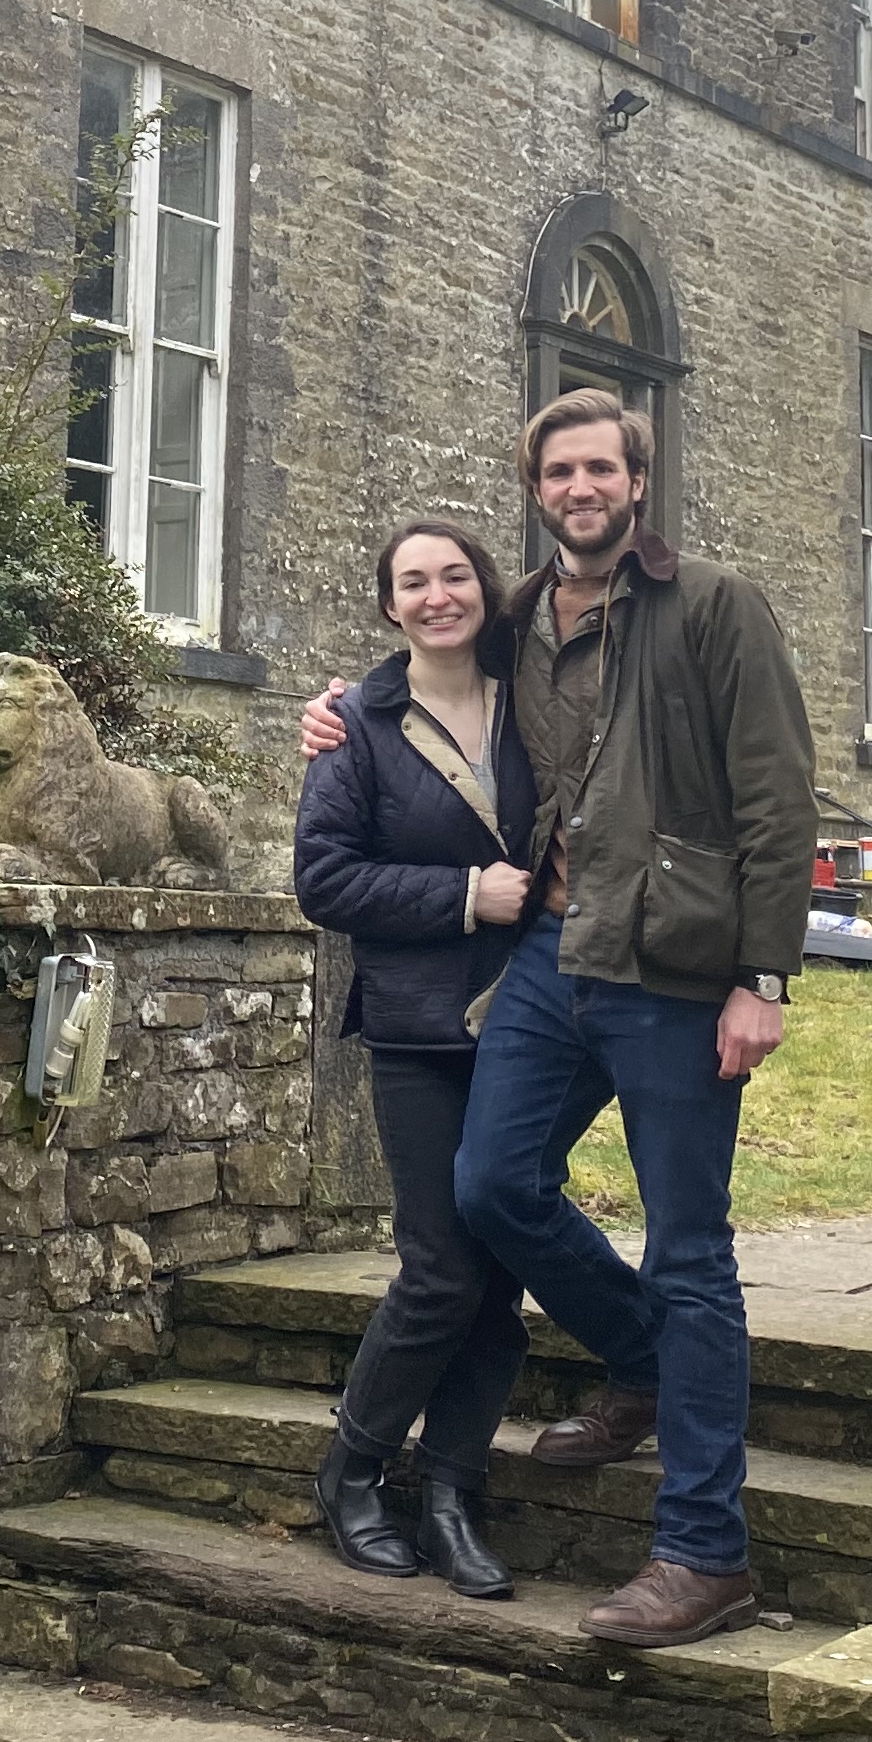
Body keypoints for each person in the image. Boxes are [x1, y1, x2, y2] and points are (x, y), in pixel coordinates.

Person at [300, 391, 816, 1647]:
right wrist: (333, 711)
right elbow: (422, 663)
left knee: (691, 1250)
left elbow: (776, 797)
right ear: (535, 491)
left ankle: (706, 1552)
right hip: (550, 959)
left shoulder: (715, 605)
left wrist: (766, 978)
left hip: (680, 974)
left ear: (638, 479)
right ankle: (644, 1357)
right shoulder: (523, 611)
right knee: (492, 1189)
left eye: (600, 468)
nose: (579, 489)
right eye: (557, 473)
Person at [289, 518, 539, 1597]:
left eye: (455, 576)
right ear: (388, 606)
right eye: (413, 583)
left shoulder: (537, 705)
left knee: (500, 1275)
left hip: (531, 1027)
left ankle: (451, 1493)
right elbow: (323, 880)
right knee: (441, 1267)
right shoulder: (356, 722)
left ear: (484, 589)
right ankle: (351, 1470)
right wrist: (458, 896)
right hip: (417, 1028)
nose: (438, 596)